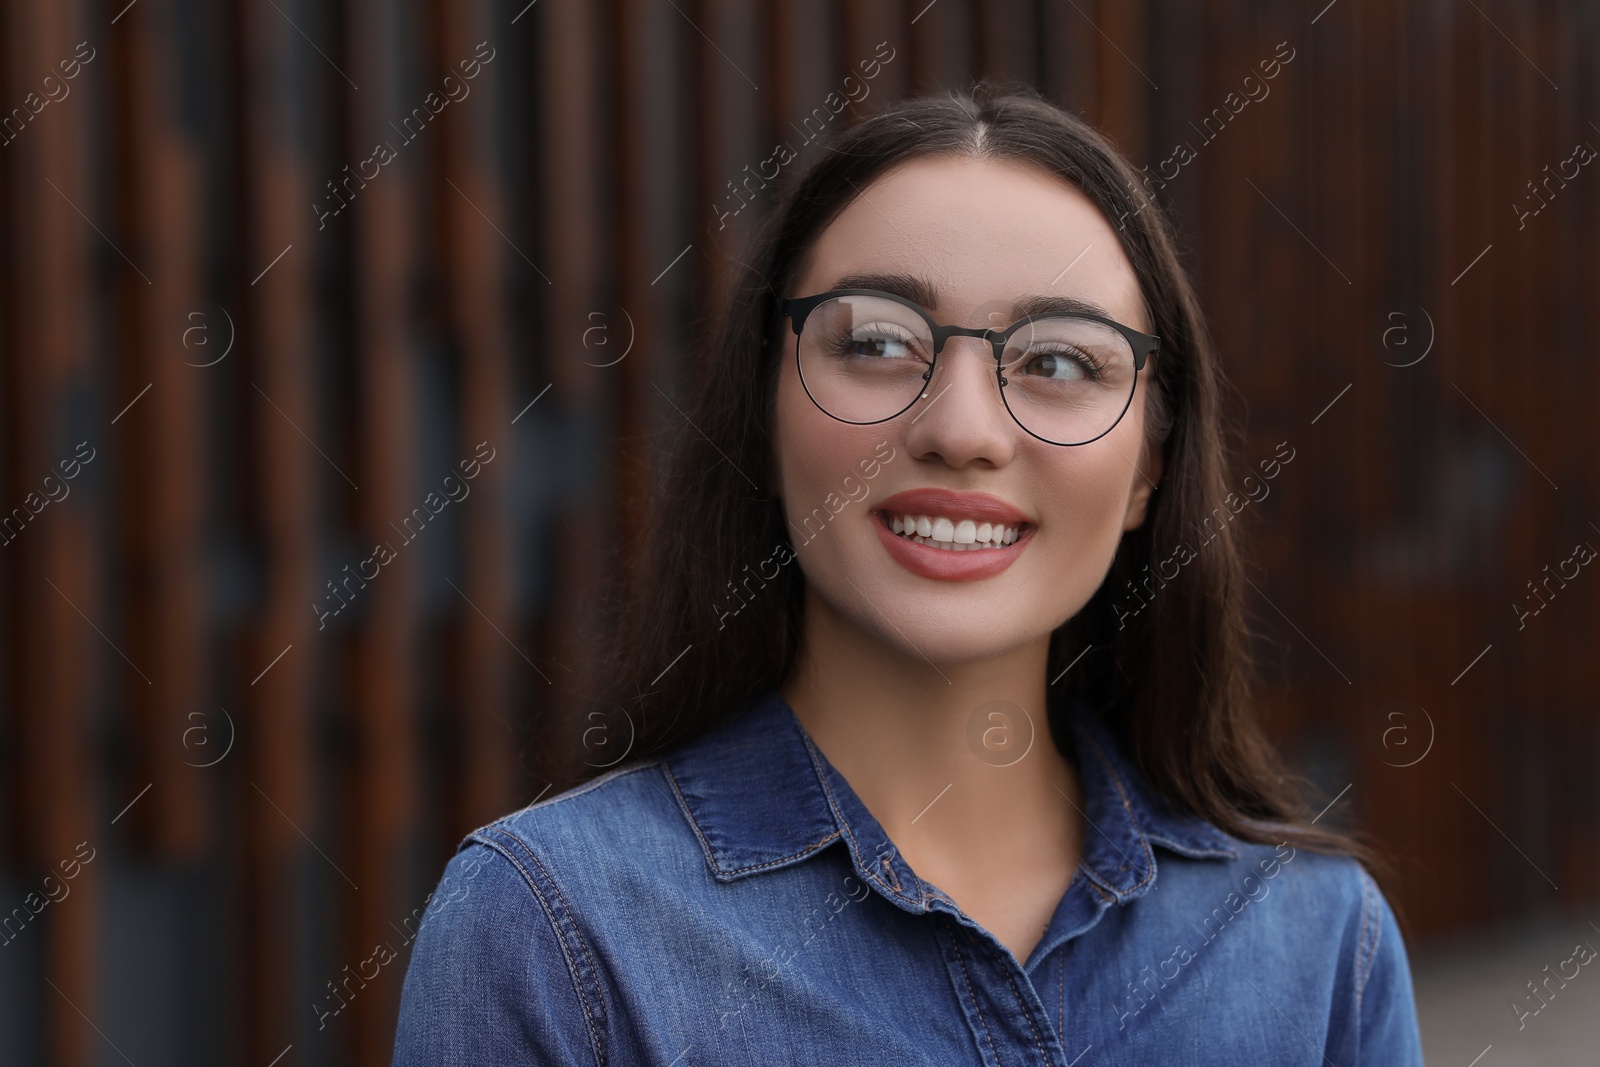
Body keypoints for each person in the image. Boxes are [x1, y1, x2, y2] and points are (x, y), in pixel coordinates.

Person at [391, 82, 1426, 1065]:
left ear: (1151, 463)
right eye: (878, 341)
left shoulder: (1319, 944)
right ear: (766, 407)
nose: (963, 430)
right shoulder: (551, 928)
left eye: (1060, 360)